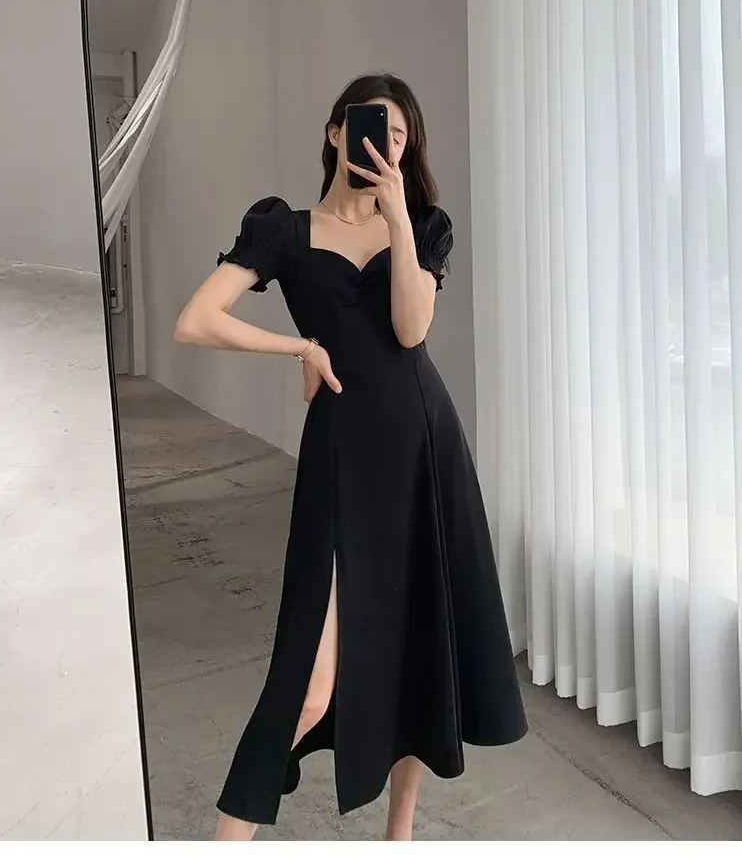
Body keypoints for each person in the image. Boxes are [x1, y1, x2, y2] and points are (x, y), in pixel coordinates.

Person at [174, 74, 527, 842]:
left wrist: (398, 217)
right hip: (342, 456)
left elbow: (410, 331)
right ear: (337, 131)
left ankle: (400, 835)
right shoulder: (283, 229)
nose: (384, 144)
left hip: (424, 451)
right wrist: (299, 346)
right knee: (307, 683)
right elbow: (196, 320)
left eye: (400, 136)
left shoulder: (423, 225)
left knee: (417, 653)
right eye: (372, 127)